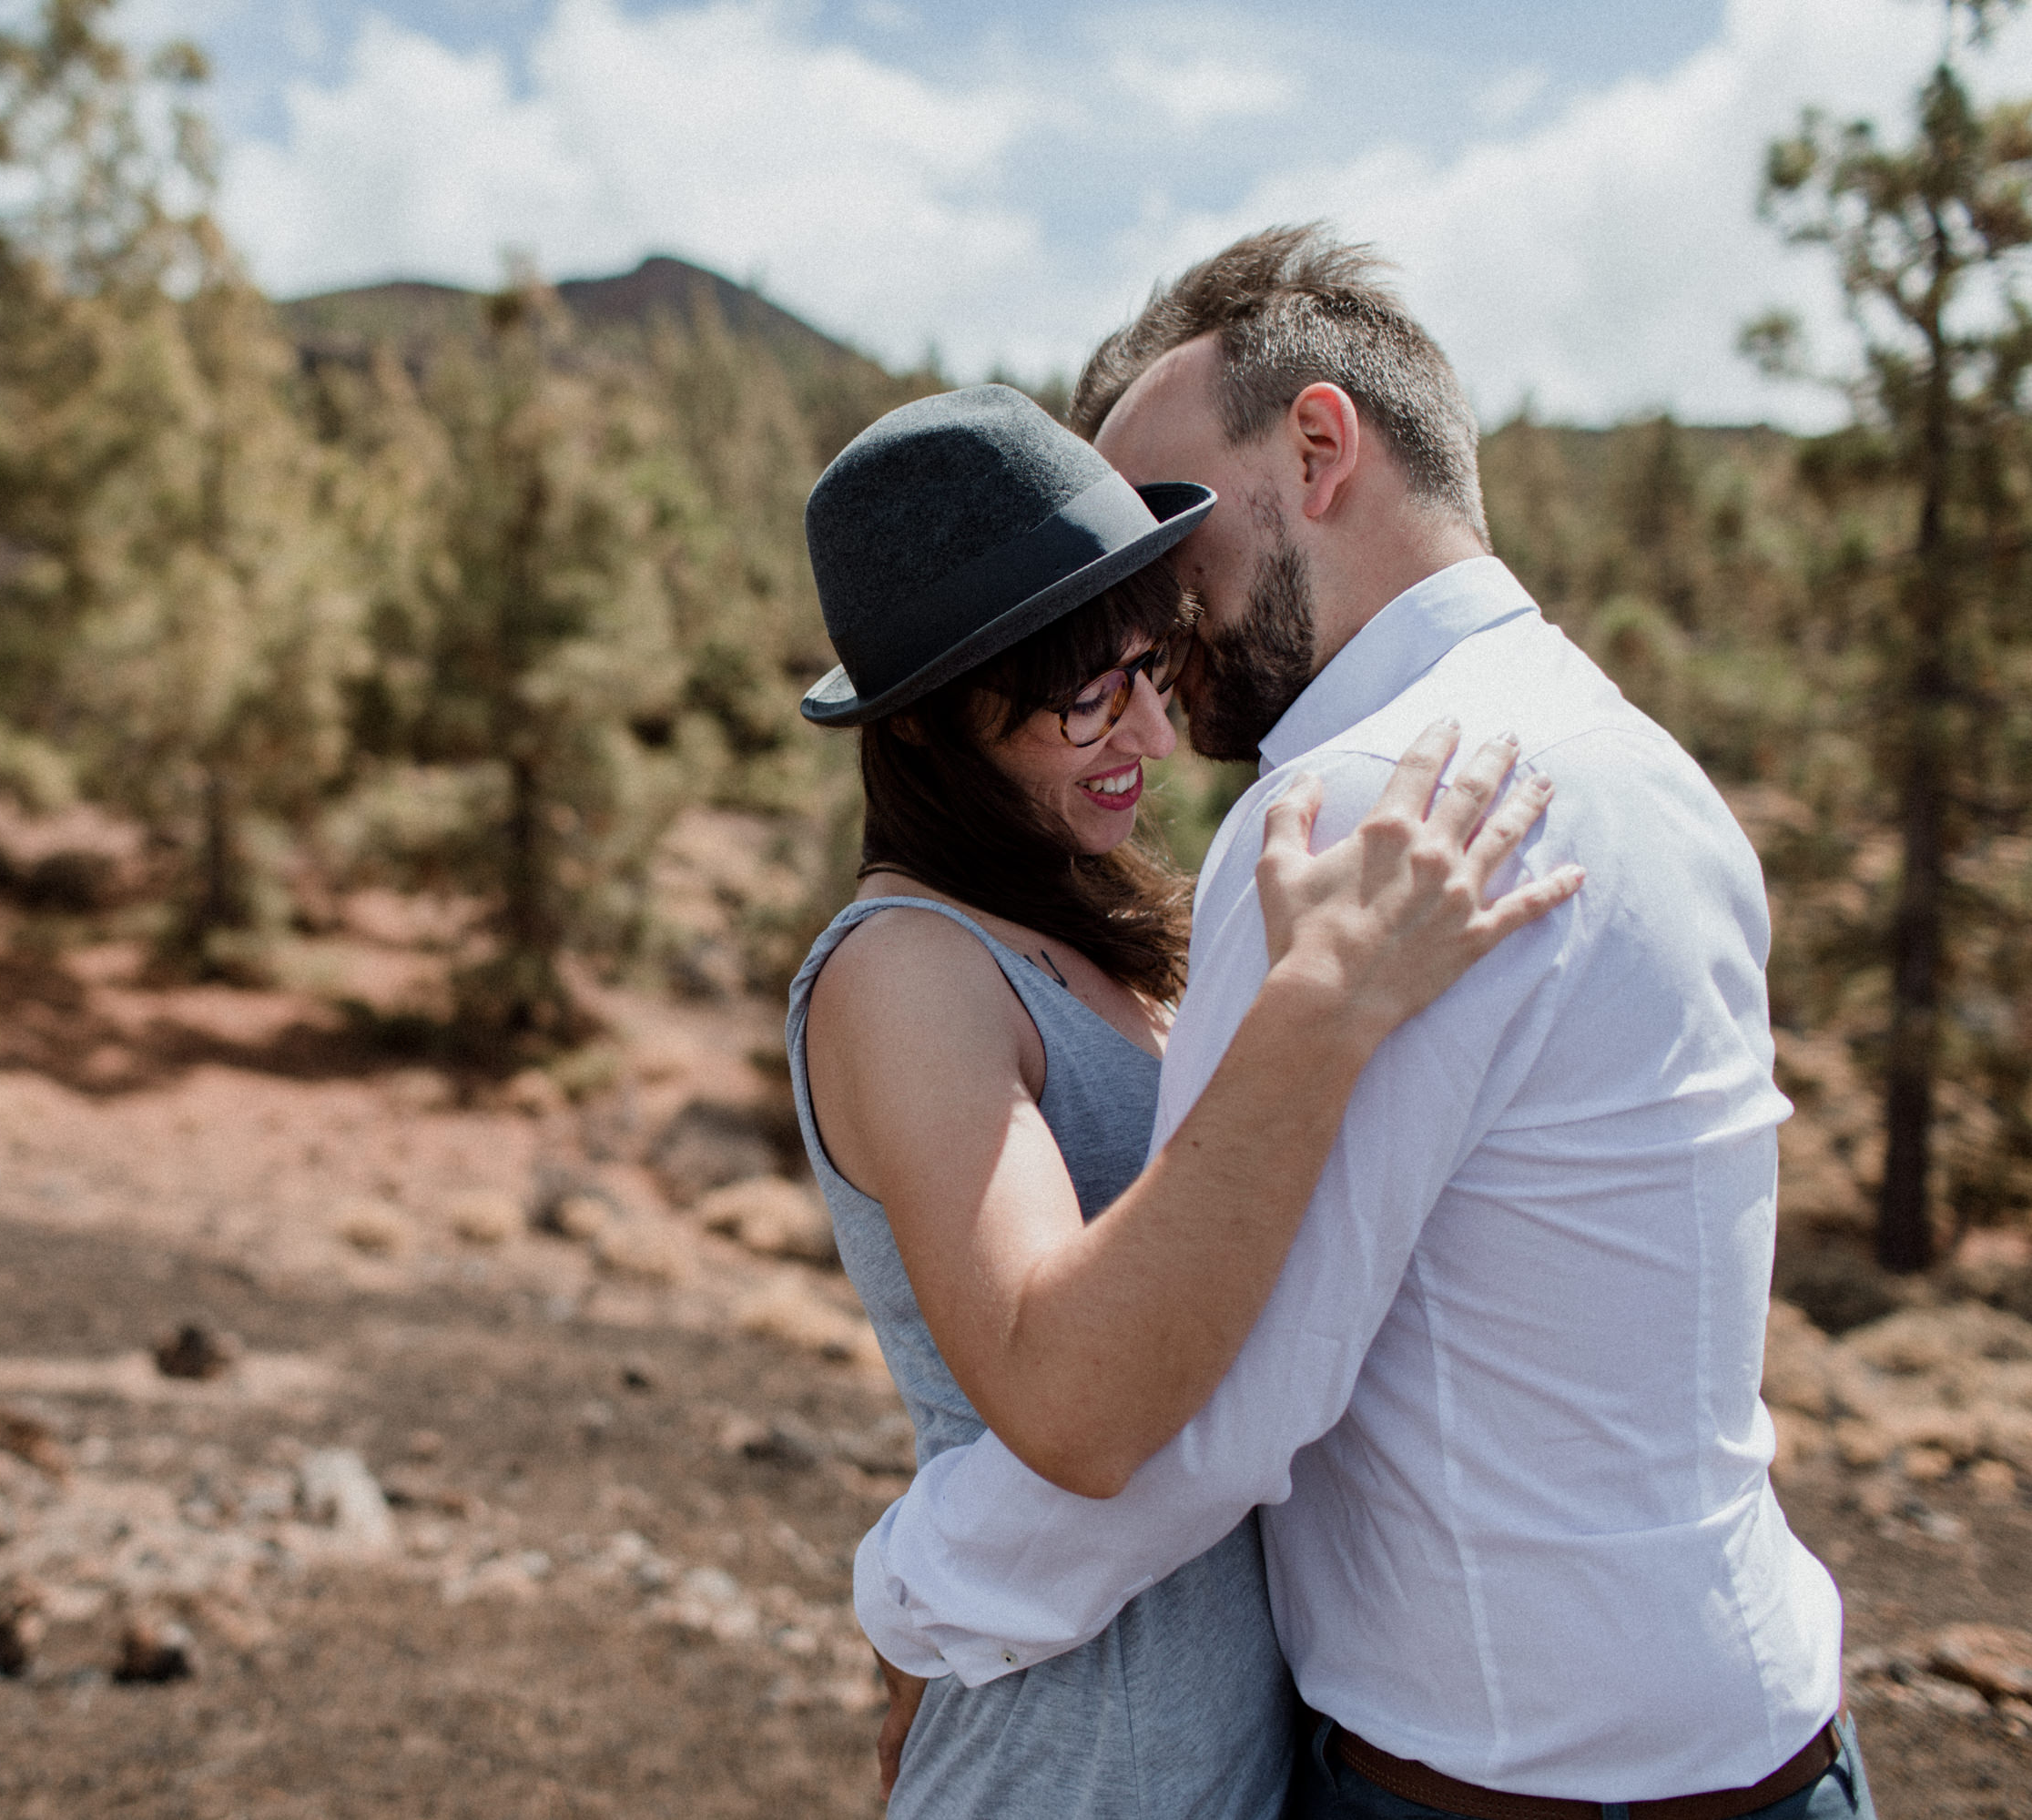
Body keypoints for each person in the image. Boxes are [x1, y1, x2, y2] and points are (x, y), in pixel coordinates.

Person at [851, 227, 1868, 1820]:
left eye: (1164, 524)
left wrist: (911, 1592)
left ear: (1320, 447)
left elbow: (1222, 1406)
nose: (1147, 607)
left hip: (1493, 1779)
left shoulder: (1353, 808)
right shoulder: (1652, 768)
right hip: (1779, 1738)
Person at [787, 379, 1579, 1818]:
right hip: (1065, 1771)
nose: (1148, 739)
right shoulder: (907, 971)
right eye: (1084, 694)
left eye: (1153, 668)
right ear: (922, 728)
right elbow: (1071, 1403)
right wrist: (1318, 1010)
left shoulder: (1092, 944)